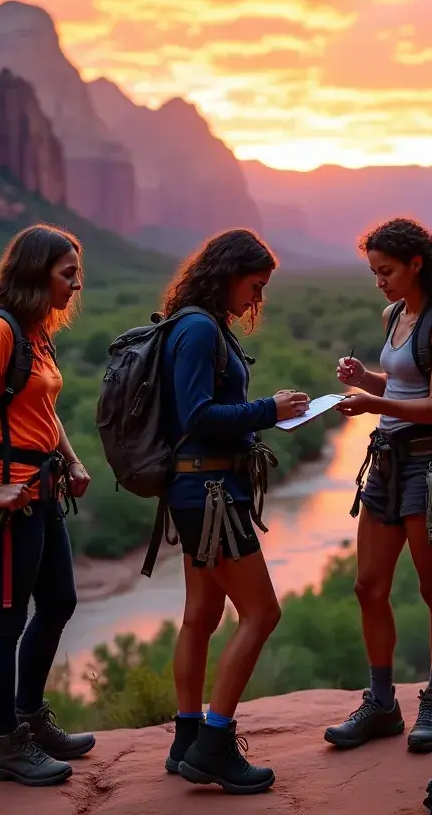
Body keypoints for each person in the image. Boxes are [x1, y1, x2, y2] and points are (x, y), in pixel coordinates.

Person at [159, 229, 310, 795]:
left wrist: (258, 410)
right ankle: (215, 745)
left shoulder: (195, 323)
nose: (256, 299)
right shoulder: (200, 328)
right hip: (212, 496)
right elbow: (196, 416)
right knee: (263, 614)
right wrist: (269, 409)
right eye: (254, 285)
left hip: (197, 492)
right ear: (229, 273)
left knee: (201, 613)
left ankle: (186, 737)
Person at [0, 224, 95, 787]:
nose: (76, 285)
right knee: (5, 624)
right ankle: (6, 747)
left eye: (76, 273)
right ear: (36, 272)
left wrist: (74, 461)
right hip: (8, 501)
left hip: (41, 489)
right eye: (67, 274)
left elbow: (43, 412)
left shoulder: (36, 333)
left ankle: (32, 719)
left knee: (59, 601)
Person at [323, 218, 432, 755]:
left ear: (416, 264)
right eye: (372, 272)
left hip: (430, 468)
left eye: (386, 271)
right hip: (385, 461)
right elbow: (405, 382)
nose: (379, 282)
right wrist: (366, 380)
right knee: (368, 586)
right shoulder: (394, 315)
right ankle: (382, 702)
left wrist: (373, 404)